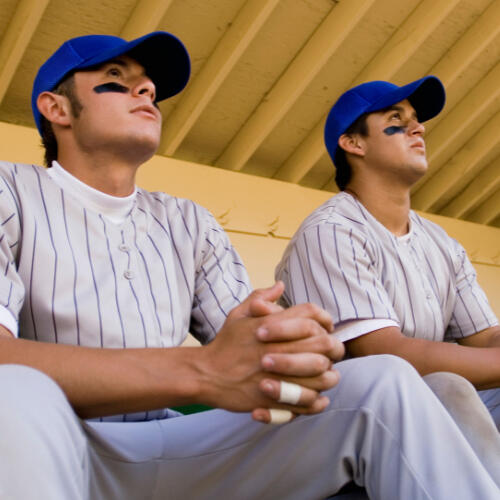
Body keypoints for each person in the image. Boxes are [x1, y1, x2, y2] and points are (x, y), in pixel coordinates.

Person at [0, 33, 498, 500]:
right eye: (116, 80)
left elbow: (249, 349)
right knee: (12, 390)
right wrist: (200, 369)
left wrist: (286, 346)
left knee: (383, 380)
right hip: (54, 439)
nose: (147, 89)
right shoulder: (11, 190)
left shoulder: (187, 220)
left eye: (148, 85)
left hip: (176, 442)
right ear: (57, 108)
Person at [276, 77, 500, 482]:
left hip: (421, 410)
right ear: (353, 143)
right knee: (445, 386)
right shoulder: (331, 230)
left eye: (417, 120)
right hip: (335, 424)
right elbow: (385, 354)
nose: (419, 128)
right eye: (397, 120)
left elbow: (485, 338)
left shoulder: (441, 242)